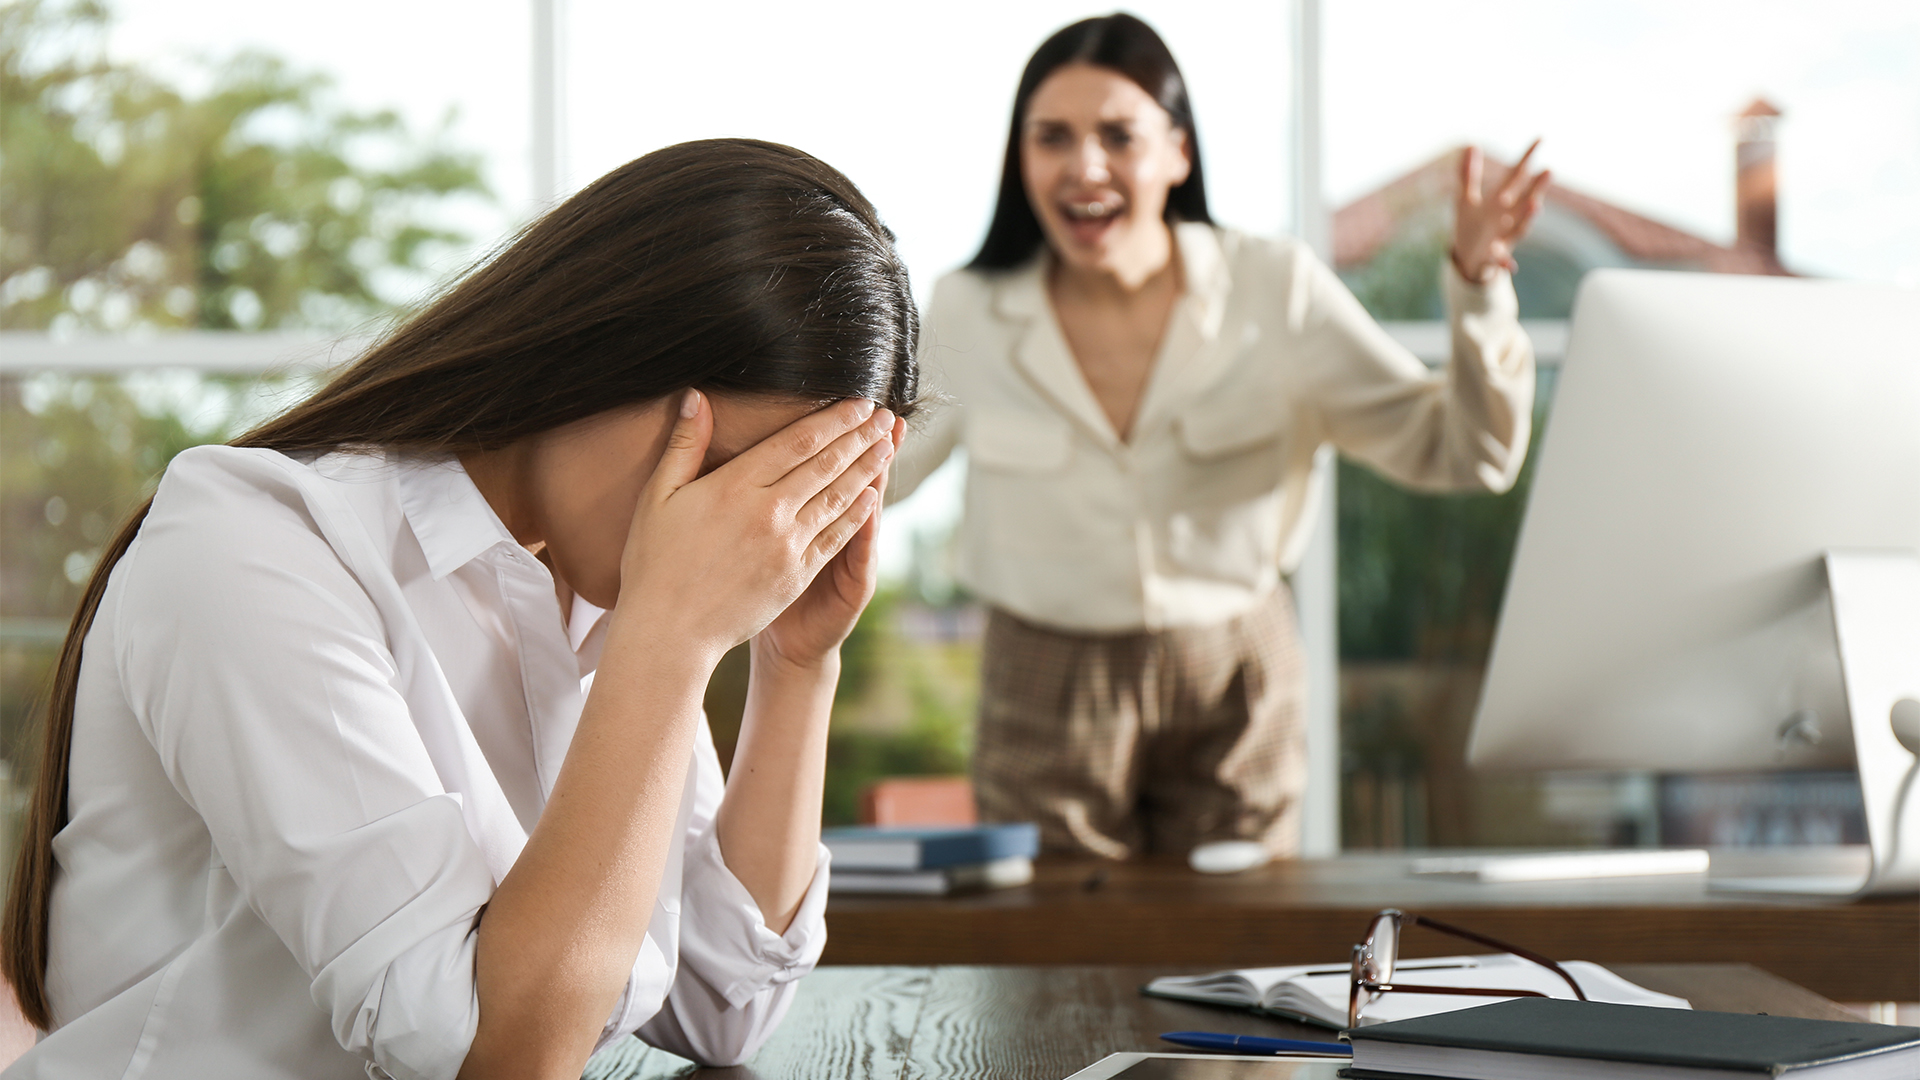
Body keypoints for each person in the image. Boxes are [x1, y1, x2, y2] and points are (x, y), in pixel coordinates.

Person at [0, 139, 915, 1079]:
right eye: (733, 481)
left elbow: (724, 1007)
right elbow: (491, 1055)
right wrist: (673, 640)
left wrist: (799, 665)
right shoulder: (257, 545)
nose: (746, 537)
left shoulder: (602, 601)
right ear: (603, 353)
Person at [890, 14, 1547, 859]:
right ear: (1023, 160)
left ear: (1178, 153)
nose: (1084, 166)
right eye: (1052, 137)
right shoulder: (968, 308)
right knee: (1048, 963)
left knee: (1236, 959)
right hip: (1041, 680)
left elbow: (1467, 450)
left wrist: (1478, 287)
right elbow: (881, 471)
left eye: (1118, 135)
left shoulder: (1275, 289)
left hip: (1237, 676)